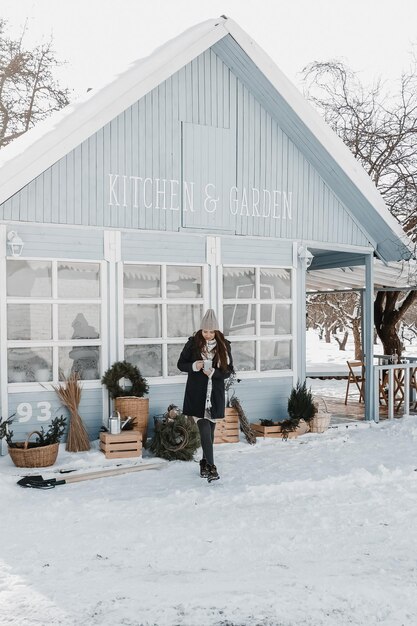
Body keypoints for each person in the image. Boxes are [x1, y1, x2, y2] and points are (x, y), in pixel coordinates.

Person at [177, 309, 233, 483]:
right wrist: (194, 365)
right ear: (201, 330)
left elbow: (228, 372)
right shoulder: (193, 344)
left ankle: (203, 464)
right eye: (205, 331)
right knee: (204, 432)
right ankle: (212, 467)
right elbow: (181, 364)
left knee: (209, 433)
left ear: (216, 331)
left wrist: (213, 372)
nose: (207, 335)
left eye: (211, 331)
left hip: (214, 396)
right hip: (196, 396)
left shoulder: (224, 346)